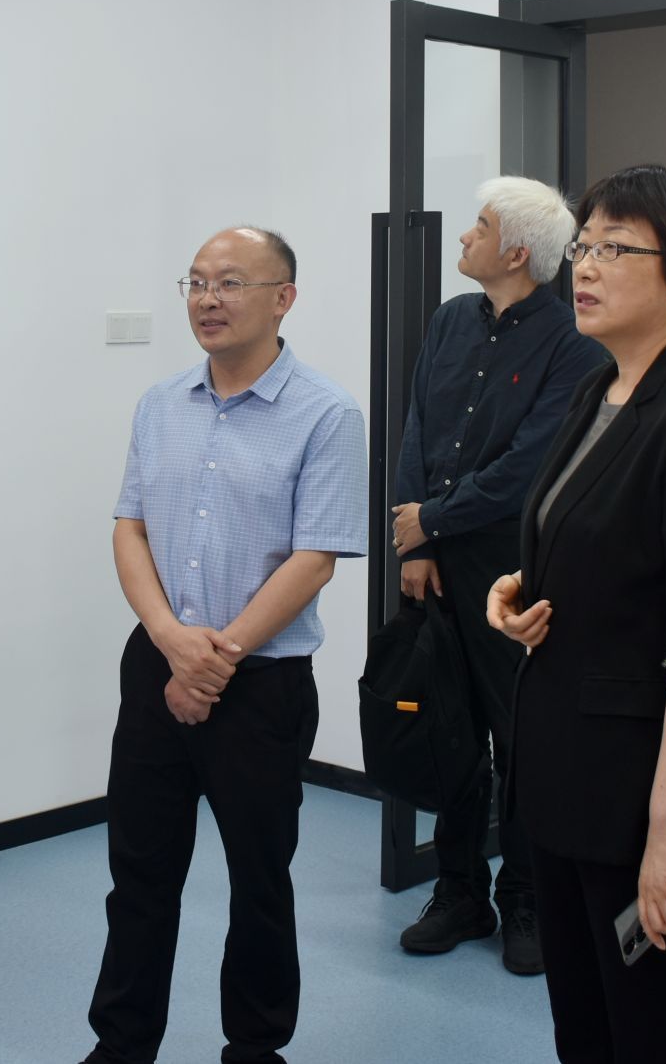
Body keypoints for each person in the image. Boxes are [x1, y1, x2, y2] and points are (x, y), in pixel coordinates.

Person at [487, 165, 666, 1062]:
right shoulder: (602, 388)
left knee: (658, 1034)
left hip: (642, 795)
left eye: (616, 248)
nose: (586, 265)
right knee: (587, 1030)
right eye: (584, 244)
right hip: (568, 778)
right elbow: (600, 546)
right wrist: (518, 590)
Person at [82, 228, 366, 1064]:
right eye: (197, 282)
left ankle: (254, 1045)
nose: (208, 298)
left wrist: (218, 658)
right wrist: (171, 640)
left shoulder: (327, 412)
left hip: (263, 682)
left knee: (259, 881)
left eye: (231, 282)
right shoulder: (160, 403)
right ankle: (121, 1044)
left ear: (284, 298)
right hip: (156, 666)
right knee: (139, 875)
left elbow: (315, 557)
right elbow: (129, 528)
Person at [391, 176, 606, 974]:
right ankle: (459, 892)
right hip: (436, 562)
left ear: (516, 252)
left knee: (522, 740)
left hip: (513, 570)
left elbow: (531, 464)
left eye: (477, 227)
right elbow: (416, 426)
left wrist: (434, 521)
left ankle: (526, 897)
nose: (463, 237)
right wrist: (415, 543)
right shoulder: (450, 320)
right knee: (448, 733)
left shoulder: (575, 342)